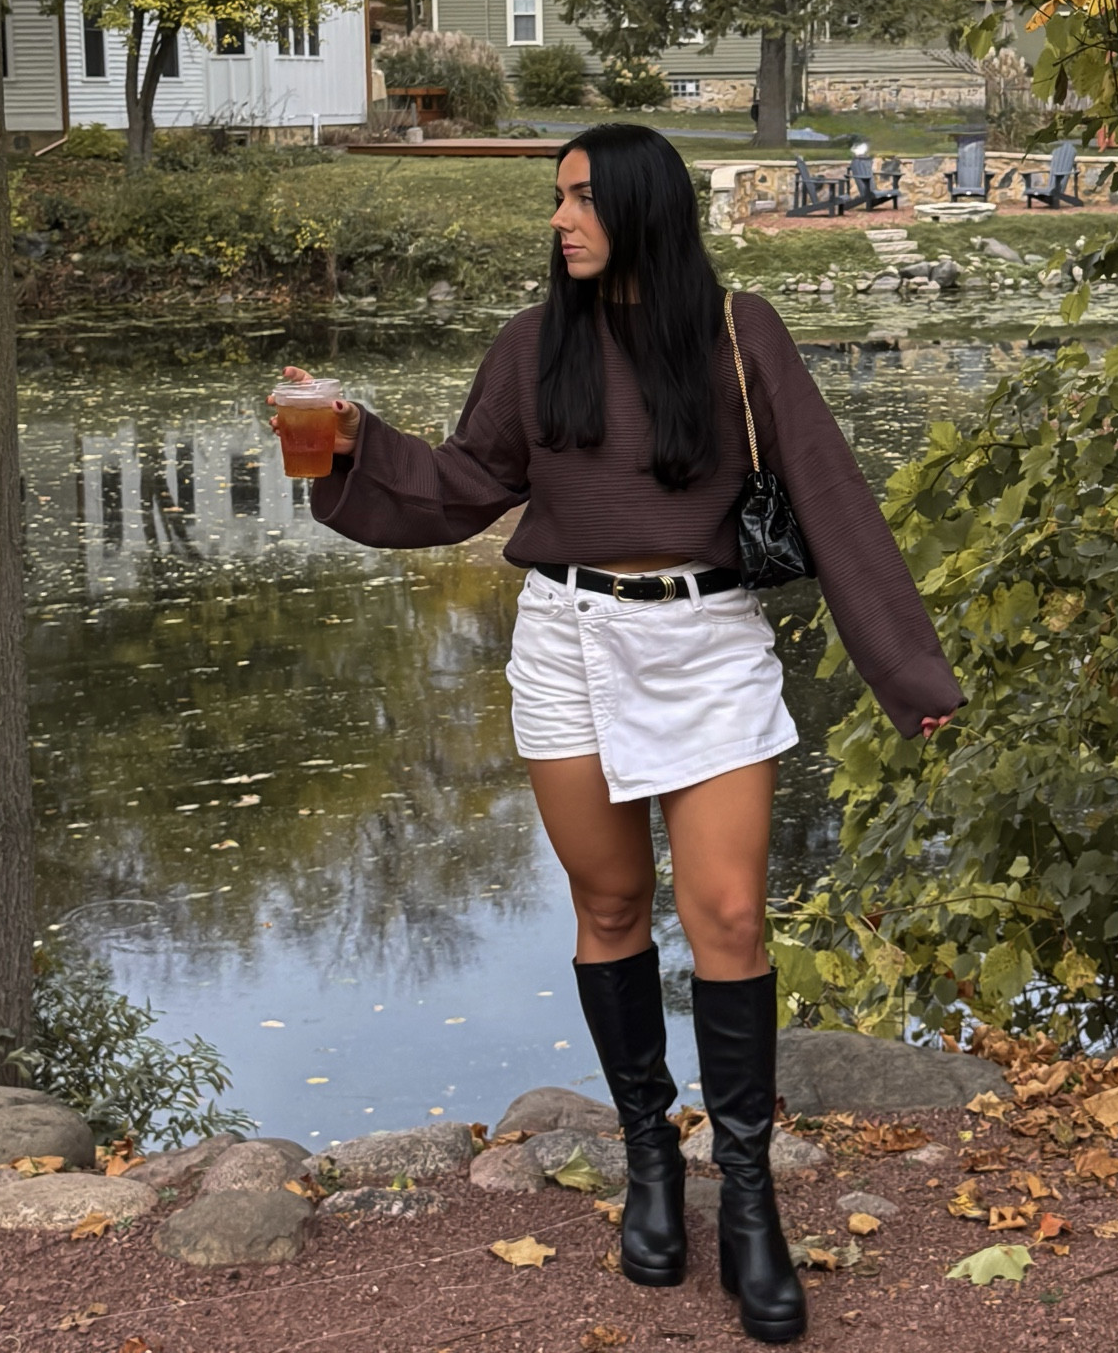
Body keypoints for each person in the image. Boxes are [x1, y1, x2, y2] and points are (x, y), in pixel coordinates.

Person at [273, 123, 961, 1345]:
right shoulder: (534, 346)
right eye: (556, 200)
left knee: (731, 916)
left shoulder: (741, 334)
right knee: (608, 911)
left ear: (641, 204)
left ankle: (745, 1203)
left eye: (579, 197)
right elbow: (460, 485)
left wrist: (906, 669)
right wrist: (346, 440)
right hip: (568, 644)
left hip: (708, 648)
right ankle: (651, 1157)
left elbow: (827, 491)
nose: (559, 219)